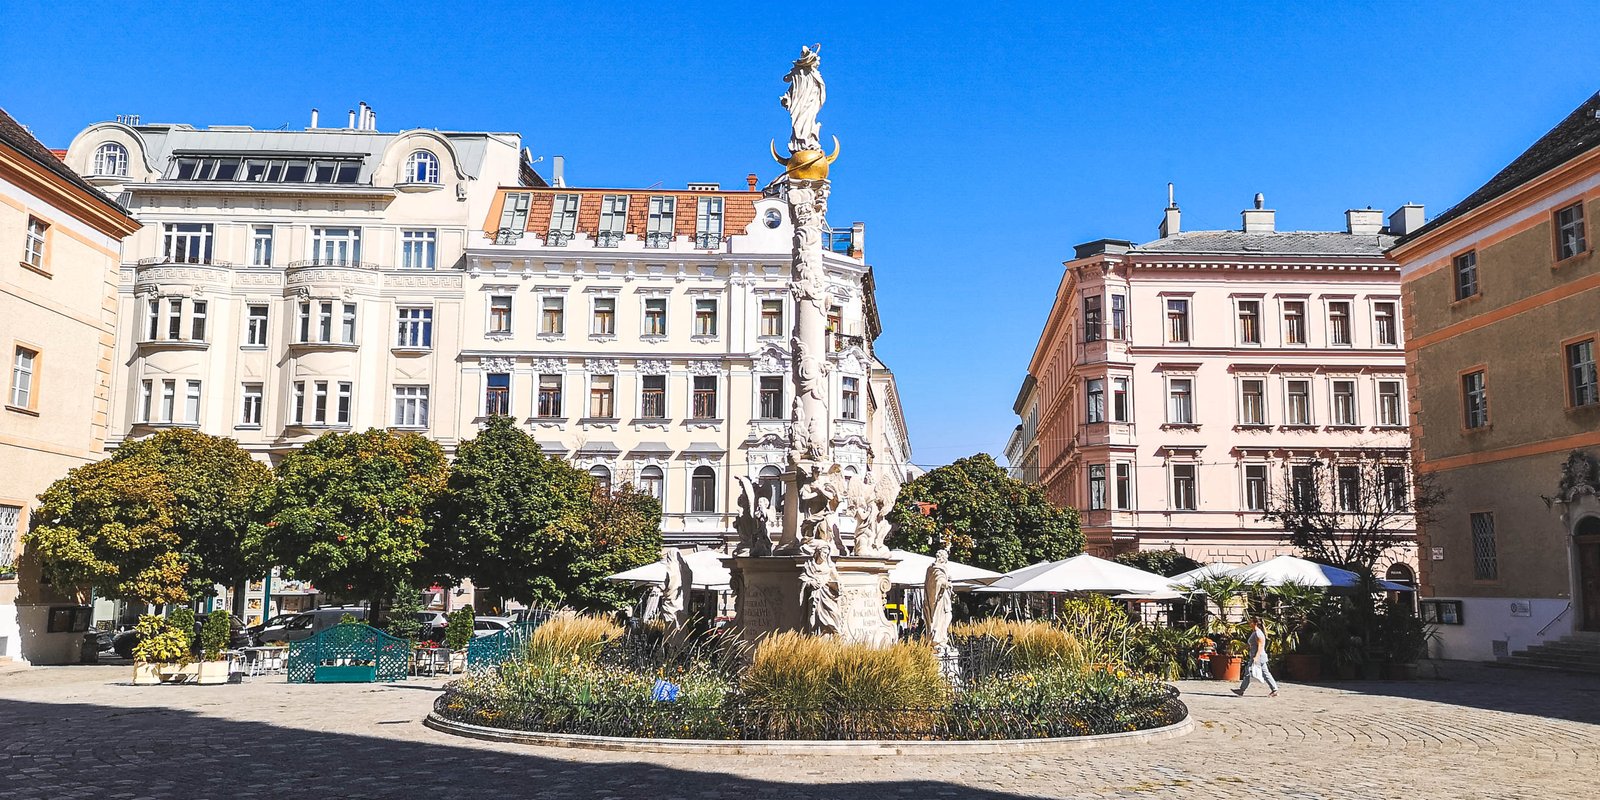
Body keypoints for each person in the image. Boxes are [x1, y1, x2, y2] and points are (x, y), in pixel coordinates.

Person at [1233, 616, 1279, 697]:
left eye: (1250, 622)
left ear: (1255, 623)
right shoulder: (1255, 632)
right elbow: (1249, 644)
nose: (1249, 623)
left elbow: (1260, 646)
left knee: (1248, 672)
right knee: (1265, 673)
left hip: (1258, 657)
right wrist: (1238, 650)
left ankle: (1241, 690)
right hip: (1257, 656)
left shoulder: (1258, 633)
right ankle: (1274, 690)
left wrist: (1256, 657)